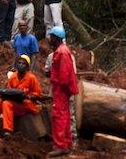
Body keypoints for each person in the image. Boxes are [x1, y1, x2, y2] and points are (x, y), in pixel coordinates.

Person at [0, 55, 43, 138]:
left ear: (27, 66)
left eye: (23, 63)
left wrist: (27, 96)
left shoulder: (31, 78)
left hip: (26, 105)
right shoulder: (13, 77)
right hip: (14, 103)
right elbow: (9, 91)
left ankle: (8, 130)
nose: (21, 65)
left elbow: (38, 95)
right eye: (19, 63)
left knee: (7, 104)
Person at [47, 26, 79, 156]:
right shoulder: (62, 50)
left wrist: (59, 87)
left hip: (61, 88)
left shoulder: (62, 52)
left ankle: (61, 145)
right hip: (61, 88)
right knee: (64, 115)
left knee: (59, 116)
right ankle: (67, 142)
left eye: (51, 37)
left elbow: (64, 74)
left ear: (56, 38)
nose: (49, 39)